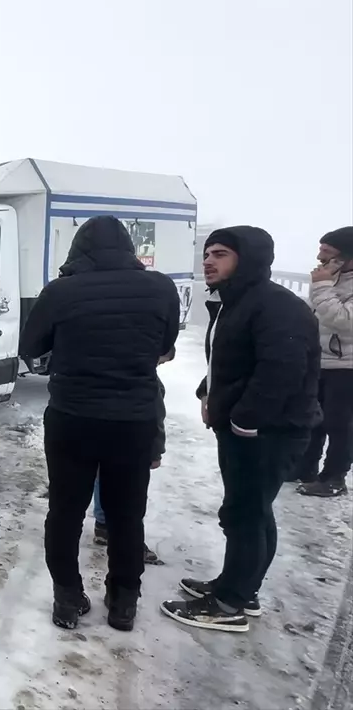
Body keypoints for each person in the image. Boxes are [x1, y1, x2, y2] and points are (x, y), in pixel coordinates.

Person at [19, 215, 180, 632]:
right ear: (127, 247)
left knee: (65, 512)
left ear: (79, 249)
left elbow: (30, 346)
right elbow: (164, 345)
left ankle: (67, 597)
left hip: (73, 418)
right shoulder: (160, 287)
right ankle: (124, 601)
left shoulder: (62, 290)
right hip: (133, 420)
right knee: (128, 515)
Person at [162, 226, 321, 633]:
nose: (208, 262)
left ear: (245, 259)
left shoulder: (276, 306)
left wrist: (243, 419)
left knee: (245, 514)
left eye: (220, 254)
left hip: (268, 432)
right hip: (247, 428)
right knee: (250, 511)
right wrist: (206, 393)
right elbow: (229, 362)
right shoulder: (238, 302)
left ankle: (230, 603)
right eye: (207, 254)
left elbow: (281, 372)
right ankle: (239, 587)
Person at [92, 347, 175, 565]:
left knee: (102, 476)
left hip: (100, 435)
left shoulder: (110, 367)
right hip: (131, 442)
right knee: (128, 495)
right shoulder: (149, 382)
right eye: (161, 362)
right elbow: (155, 419)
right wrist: (156, 451)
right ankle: (129, 543)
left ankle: (103, 525)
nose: (159, 366)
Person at [296, 226, 353, 497]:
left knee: (339, 424)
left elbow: (343, 320)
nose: (319, 257)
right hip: (321, 360)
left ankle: (334, 477)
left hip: (347, 366)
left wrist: (321, 286)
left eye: (327, 252)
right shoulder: (334, 278)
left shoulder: (328, 281)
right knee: (312, 417)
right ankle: (304, 468)